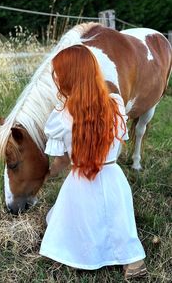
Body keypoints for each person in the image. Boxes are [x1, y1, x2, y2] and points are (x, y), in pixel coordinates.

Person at [39, 44, 146, 279]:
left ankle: (81, 255)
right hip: (113, 176)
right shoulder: (116, 103)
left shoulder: (61, 116)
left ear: (67, 77)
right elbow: (120, 140)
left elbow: (61, 160)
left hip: (80, 181)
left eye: (58, 73)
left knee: (68, 219)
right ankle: (133, 261)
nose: (56, 78)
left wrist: (50, 173)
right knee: (119, 220)